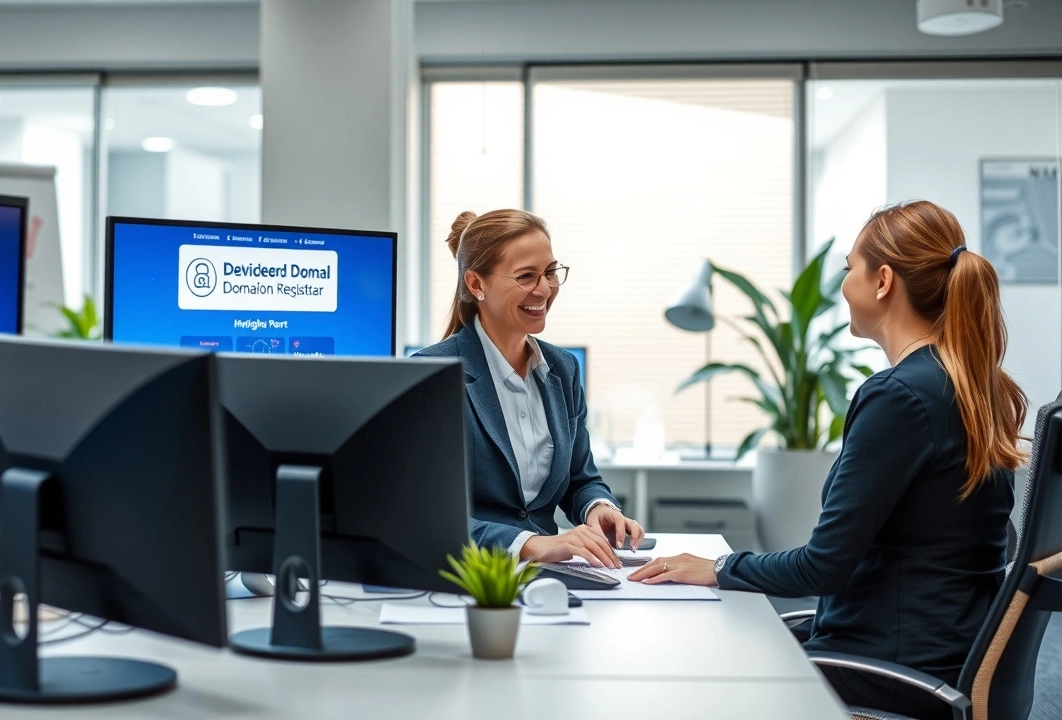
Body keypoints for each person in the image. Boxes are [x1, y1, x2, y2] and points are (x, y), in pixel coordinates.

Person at [629, 200, 1027, 719]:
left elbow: (825, 566)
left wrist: (719, 566)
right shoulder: (971, 385)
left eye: (848, 269)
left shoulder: (900, 397)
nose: (843, 285)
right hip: (939, 655)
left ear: (882, 281)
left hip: (892, 669)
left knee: (699, 674)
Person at [415, 209, 643, 569]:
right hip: (466, 580)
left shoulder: (563, 369)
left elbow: (580, 478)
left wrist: (598, 507)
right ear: (476, 285)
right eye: (526, 276)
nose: (545, 289)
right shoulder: (432, 374)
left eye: (551, 273)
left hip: (550, 578)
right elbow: (422, 514)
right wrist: (529, 543)